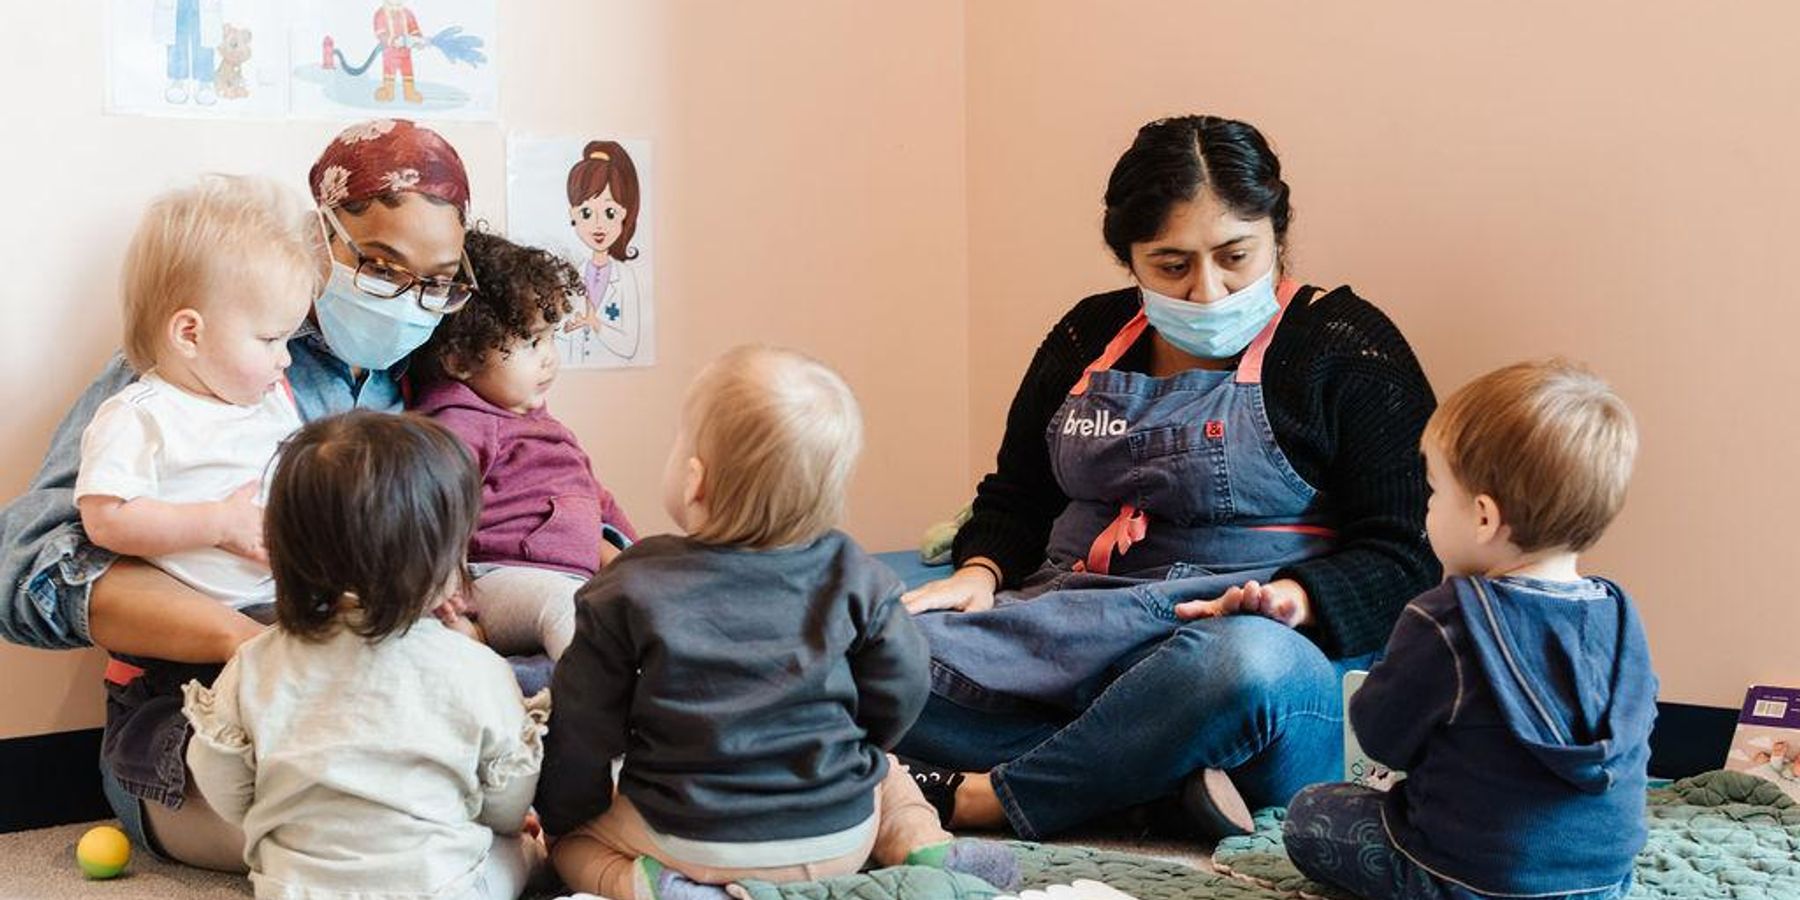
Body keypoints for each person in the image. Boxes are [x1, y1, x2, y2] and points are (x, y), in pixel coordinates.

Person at [896, 114, 1439, 841]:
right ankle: (1142, 784)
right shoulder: (1086, 336)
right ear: (1129, 259)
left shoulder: (1345, 346)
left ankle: (985, 796)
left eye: (1235, 256)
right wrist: (982, 570)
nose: (1208, 291)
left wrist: (1295, 599)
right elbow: (1018, 493)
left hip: (1242, 649)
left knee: (1243, 670)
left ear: (1277, 233)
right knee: (852, 632)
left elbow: (1410, 552)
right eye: (1172, 265)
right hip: (1071, 628)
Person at [0, 117, 475, 870]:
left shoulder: (433, 372)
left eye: (438, 280)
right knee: (344, 825)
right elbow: (25, 576)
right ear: (325, 242)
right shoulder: (190, 377)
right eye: (382, 267)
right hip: (195, 699)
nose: (409, 300)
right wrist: (249, 640)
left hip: (346, 675)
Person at [536, 346, 1019, 900]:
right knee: (888, 774)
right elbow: (906, 682)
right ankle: (925, 846)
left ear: (695, 480)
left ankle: (659, 887)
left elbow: (582, 724)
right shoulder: (856, 573)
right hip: (841, 835)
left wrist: (565, 811)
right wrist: (858, 747)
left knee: (574, 846)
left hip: (694, 841)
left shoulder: (627, 584)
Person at [1284, 359, 1654, 900]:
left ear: (1483, 518)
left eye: (1433, 492)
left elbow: (1381, 739)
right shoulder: (1621, 615)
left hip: (1468, 880)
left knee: (1309, 813)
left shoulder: (1447, 618)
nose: (1427, 508)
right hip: (1603, 881)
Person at [183, 411, 548, 899]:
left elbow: (219, 778)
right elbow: (507, 802)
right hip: (444, 887)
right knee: (524, 845)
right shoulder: (476, 668)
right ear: (434, 559)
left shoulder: (254, 662)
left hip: (296, 889)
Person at [76, 174, 316, 611]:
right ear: (190, 334)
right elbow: (106, 521)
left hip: (290, 601)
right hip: (202, 630)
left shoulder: (271, 403)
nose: (286, 359)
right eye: (270, 340)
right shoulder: (142, 416)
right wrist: (218, 524)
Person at [412, 231, 637, 660]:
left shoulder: (544, 426)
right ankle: (585, 707)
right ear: (460, 359)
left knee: (646, 599)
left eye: (552, 337)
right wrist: (440, 579)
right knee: (567, 610)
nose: (550, 357)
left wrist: (643, 558)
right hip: (499, 579)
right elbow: (425, 502)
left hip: (569, 575)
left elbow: (599, 500)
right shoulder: (457, 424)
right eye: (533, 342)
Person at [561, 140, 646, 364]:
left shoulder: (626, 277)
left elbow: (629, 346)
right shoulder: (571, 275)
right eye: (587, 213)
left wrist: (595, 323)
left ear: (624, 215)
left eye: (609, 212)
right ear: (573, 214)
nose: (598, 225)